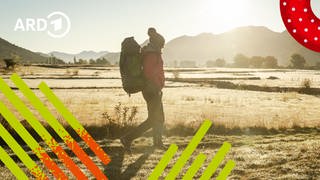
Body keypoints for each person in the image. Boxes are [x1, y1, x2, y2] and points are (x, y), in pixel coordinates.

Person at [120, 28, 166, 150]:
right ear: (158, 43)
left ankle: (158, 143)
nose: (163, 47)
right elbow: (149, 72)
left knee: (158, 117)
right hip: (151, 89)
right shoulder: (152, 54)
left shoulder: (152, 52)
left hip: (152, 88)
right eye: (162, 44)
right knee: (153, 119)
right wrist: (157, 84)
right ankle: (128, 138)